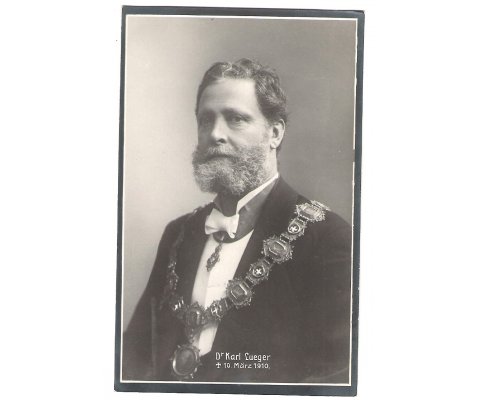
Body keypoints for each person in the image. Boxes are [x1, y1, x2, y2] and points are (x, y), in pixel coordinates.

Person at [122, 58, 352, 383]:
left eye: (235, 119)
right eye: (206, 120)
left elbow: (332, 380)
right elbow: (134, 358)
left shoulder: (327, 239)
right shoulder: (178, 234)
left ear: (275, 133)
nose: (215, 134)